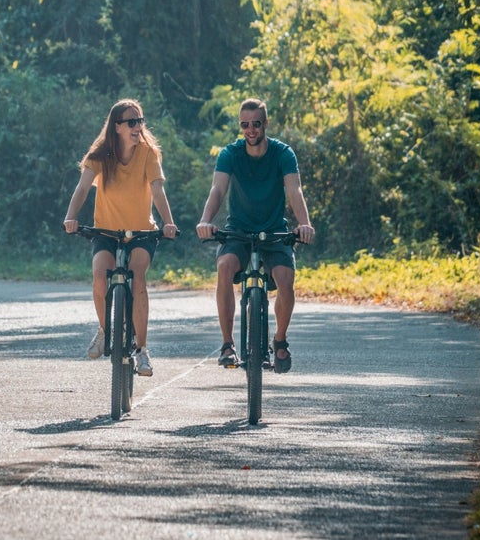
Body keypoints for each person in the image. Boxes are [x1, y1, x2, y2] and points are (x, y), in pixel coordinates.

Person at [195, 98, 315, 373]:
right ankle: (228, 344)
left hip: (274, 229)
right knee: (224, 267)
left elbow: (294, 191)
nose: (250, 130)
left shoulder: (283, 153)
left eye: (256, 124)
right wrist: (205, 220)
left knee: (285, 279)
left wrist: (304, 224)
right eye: (245, 125)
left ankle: (280, 339)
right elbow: (217, 189)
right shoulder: (230, 154)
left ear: (265, 124)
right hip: (238, 228)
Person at [64, 99, 178, 377]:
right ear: (116, 127)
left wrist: (169, 223)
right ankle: (105, 330)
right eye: (131, 122)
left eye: (140, 121)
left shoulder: (149, 153)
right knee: (100, 277)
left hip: (141, 233)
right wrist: (70, 217)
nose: (138, 127)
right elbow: (81, 189)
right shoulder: (101, 154)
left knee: (137, 277)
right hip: (106, 232)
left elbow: (158, 191)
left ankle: (142, 349)